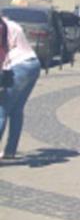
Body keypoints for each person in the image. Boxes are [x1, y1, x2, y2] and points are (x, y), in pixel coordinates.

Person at [0, 15, 41, 159]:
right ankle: (10, 150)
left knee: (2, 109)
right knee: (16, 110)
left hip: (18, 66)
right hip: (34, 63)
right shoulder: (12, 24)